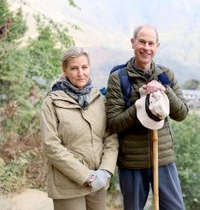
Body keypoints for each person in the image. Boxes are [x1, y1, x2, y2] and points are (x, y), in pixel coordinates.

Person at [106, 25, 188, 210]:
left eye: (151, 43)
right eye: (142, 41)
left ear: (157, 46)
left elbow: (182, 113)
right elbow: (114, 122)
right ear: (133, 42)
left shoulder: (166, 76)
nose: (146, 47)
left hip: (163, 158)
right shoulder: (119, 78)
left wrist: (164, 91)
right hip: (132, 163)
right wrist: (142, 104)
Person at [40, 46, 118, 210]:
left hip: (98, 183)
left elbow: (111, 138)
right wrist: (85, 176)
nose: (80, 73)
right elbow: (51, 145)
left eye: (84, 67)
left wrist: (105, 171)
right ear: (64, 70)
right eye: (74, 68)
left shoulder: (99, 99)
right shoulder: (52, 102)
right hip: (67, 185)